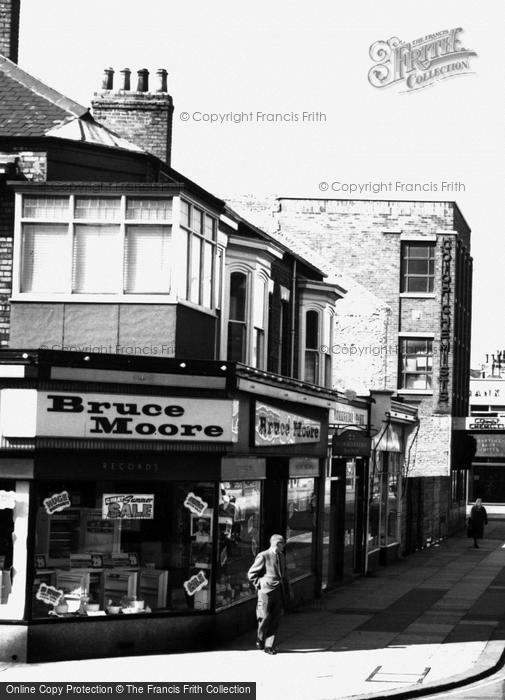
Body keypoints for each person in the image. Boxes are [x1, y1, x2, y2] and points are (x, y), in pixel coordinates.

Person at [247, 534, 291, 655]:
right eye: (282, 543)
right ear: (277, 544)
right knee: (264, 617)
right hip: (266, 592)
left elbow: (285, 574)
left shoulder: (281, 556)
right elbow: (251, 574)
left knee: (276, 618)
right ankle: (260, 639)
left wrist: (288, 590)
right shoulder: (264, 555)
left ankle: (269, 645)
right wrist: (260, 585)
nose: (284, 546)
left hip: (278, 591)